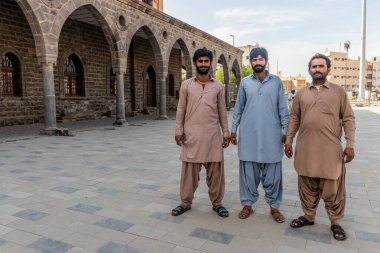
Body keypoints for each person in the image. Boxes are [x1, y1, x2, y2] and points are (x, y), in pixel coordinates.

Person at [285, 53, 355, 241]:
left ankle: (336, 222)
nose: (317, 69)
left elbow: (348, 118)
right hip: (305, 148)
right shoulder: (301, 94)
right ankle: (308, 216)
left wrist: (350, 144)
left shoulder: (338, 92)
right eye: (314, 66)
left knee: (332, 187)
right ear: (309, 70)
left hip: (330, 150)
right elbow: (294, 118)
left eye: (321, 66)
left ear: (328, 69)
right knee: (307, 183)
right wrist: (288, 141)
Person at [230, 47, 289, 222]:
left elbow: (283, 109)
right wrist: (233, 129)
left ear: (266, 61)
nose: (257, 62)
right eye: (254, 60)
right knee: (248, 175)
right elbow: (238, 108)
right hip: (249, 137)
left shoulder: (276, 82)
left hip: (272, 137)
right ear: (251, 62)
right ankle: (247, 205)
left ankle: (274, 207)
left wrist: (285, 131)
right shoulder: (245, 83)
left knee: (273, 175)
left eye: (260, 59)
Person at [172, 48, 230, 218]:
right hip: (192, 136)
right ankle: (185, 202)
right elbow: (181, 109)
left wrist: (226, 132)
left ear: (210, 63)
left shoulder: (218, 86)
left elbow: (222, 111)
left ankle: (217, 203)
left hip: (212, 136)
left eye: (206, 61)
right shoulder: (186, 85)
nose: (203, 64)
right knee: (189, 173)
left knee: (216, 173)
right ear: (195, 63)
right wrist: (178, 130)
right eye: (200, 61)